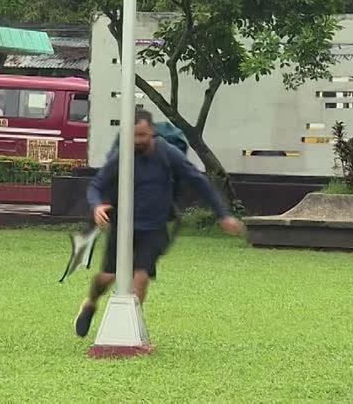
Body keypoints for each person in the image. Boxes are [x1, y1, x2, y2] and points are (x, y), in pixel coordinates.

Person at [74, 109, 246, 338]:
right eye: (134, 136)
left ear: (152, 132)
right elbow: (97, 185)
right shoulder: (122, 156)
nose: (138, 141)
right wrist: (97, 206)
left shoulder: (167, 153)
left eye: (143, 135)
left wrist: (223, 215)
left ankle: (131, 328)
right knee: (106, 277)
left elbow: (199, 181)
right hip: (123, 227)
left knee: (141, 276)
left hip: (154, 228)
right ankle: (90, 303)